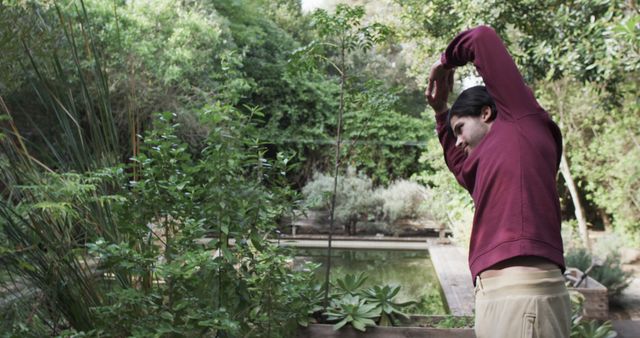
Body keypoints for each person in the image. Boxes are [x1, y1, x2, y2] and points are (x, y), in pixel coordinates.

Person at [425, 26, 571, 338]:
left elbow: (482, 38)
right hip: (493, 296)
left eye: (460, 128)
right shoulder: (484, 163)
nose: (459, 141)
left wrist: (444, 63)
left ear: (487, 113)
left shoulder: (520, 121)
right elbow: (460, 167)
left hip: (524, 293)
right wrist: (441, 113)